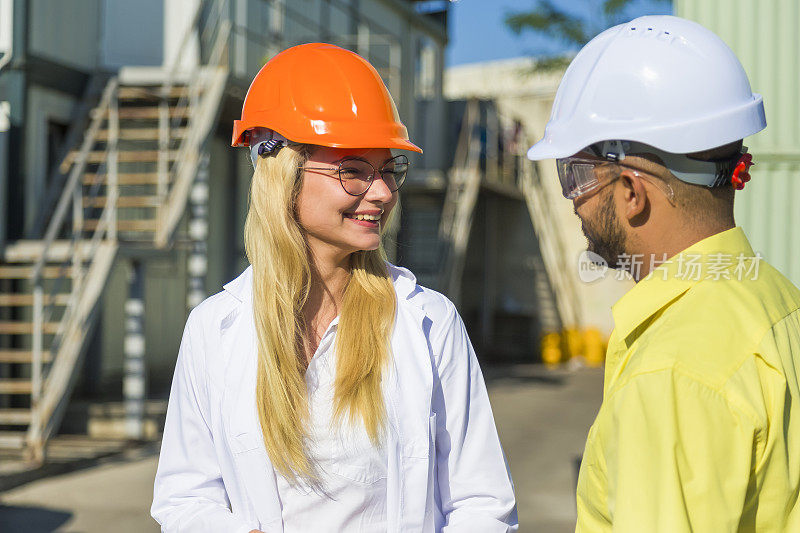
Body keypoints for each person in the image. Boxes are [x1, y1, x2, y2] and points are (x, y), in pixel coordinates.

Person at [151, 43, 517, 533]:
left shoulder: (429, 322)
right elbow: (185, 496)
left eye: (388, 169)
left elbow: (482, 503)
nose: (383, 192)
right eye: (353, 170)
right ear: (283, 173)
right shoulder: (214, 328)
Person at [527, 15, 800, 532]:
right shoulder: (781, 303)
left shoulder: (670, 372)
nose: (575, 204)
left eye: (577, 178)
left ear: (632, 191)